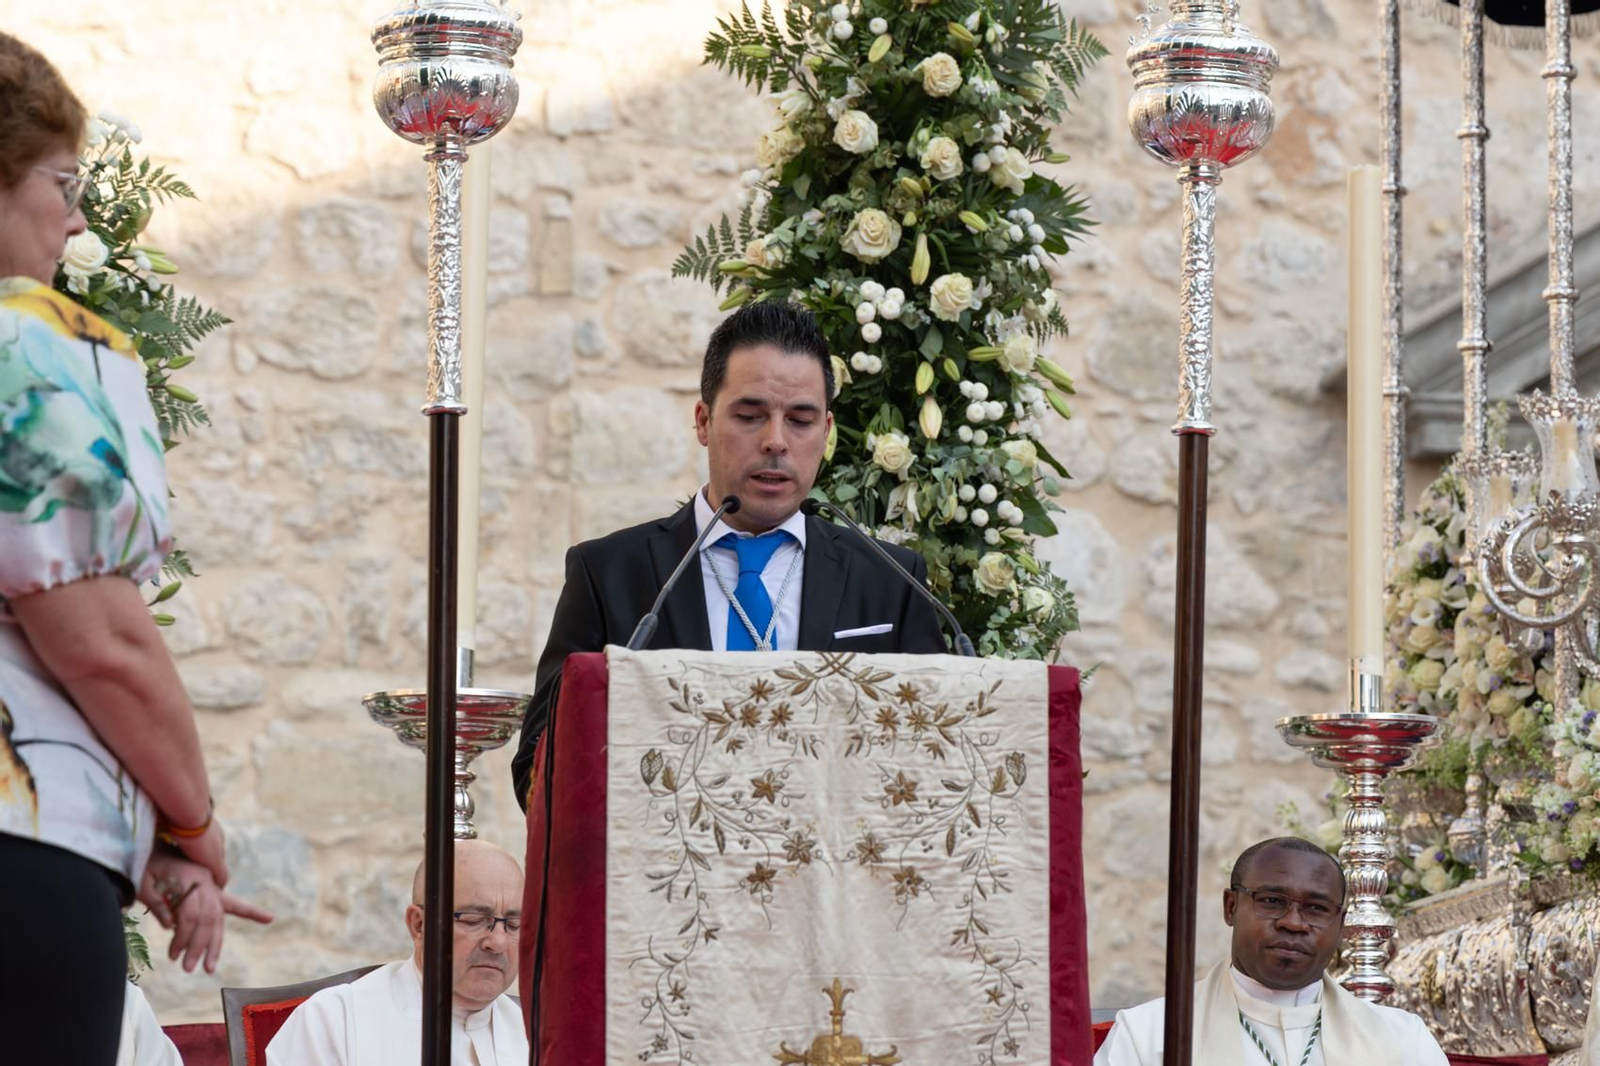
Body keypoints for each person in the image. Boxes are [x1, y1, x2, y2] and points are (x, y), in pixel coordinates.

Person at [0, 32, 247, 1064]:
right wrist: (190, 822)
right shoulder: (18, 345)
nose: (77, 219)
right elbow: (101, 644)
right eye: (63, 185)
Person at [511, 300, 947, 805]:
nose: (775, 441)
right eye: (749, 416)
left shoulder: (891, 579)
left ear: (826, 432)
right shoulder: (609, 575)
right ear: (703, 421)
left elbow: (936, 749)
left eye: (800, 420)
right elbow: (538, 768)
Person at [1094, 837, 1449, 1065]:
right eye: (1272, 901)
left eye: (1316, 909)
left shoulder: (1402, 1041)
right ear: (1231, 907)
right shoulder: (1149, 1035)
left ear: (1340, 925)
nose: (1293, 923)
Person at [267, 840, 528, 1066]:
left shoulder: (535, 1034)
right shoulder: (334, 1021)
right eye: (473, 920)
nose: (497, 942)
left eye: (514, 924)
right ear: (419, 926)